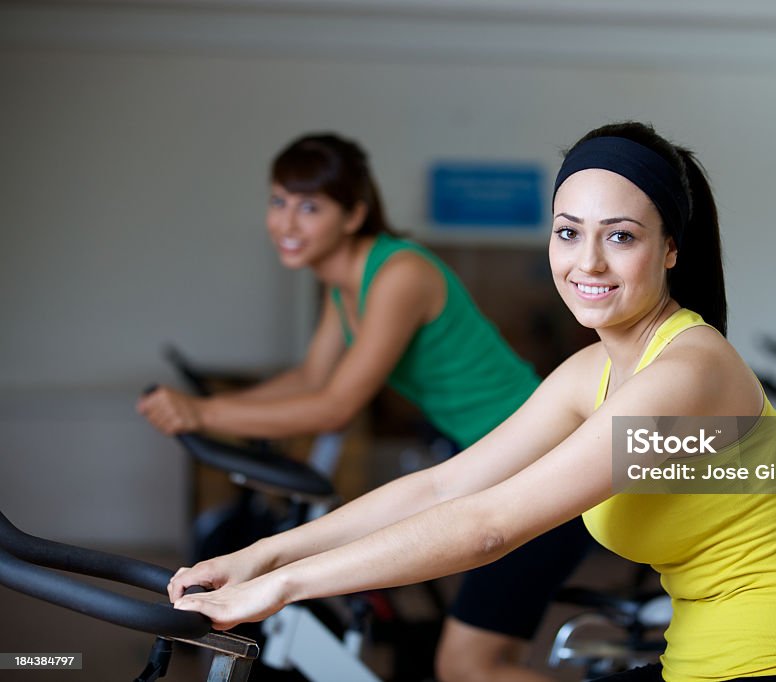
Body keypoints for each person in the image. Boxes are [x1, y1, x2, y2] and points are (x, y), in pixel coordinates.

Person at [167, 122, 776, 681]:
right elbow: (444, 485)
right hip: (697, 662)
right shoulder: (592, 371)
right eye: (569, 232)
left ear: (670, 250)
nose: (586, 263)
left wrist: (285, 586)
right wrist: (259, 556)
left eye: (621, 237)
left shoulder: (690, 371)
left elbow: (489, 525)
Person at [137, 133, 593, 682]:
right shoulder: (343, 286)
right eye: (278, 202)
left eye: (310, 207)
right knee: (460, 661)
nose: (287, 223)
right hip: (483, 464)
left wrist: (203, 415)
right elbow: (310, 377)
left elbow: (335, 405)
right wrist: (204, 407)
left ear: (354, 214)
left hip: (537, 461)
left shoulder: (399, 273)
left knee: (471, 667)